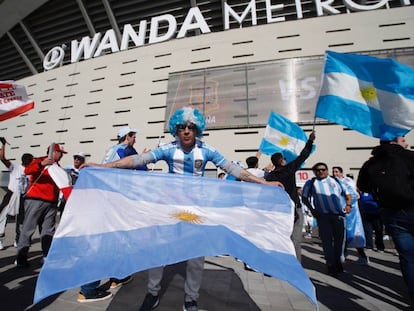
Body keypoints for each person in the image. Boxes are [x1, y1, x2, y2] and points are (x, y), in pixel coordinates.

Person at [82, 107, 283, 311]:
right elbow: (137, 160)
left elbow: (234, 169)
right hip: (168, 209)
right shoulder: (169, 149)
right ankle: (152, 294)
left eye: (191, 127)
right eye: (181, 127)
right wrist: (102, 166)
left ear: (197, 130)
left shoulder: (207, 150)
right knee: (157, 253)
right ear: (175, 130)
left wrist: (264, 184)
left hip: (195, 212)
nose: (186, 131)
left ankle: (191, 299)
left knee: (195, 259)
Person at [357, 136, 414, 304]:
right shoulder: (410, 157)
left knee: (408, 257)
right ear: (393, 141)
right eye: (403, 140)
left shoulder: (370, 163)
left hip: (391, 214)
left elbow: (364, 186)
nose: (407, 143)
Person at [265, 131, 315, 262]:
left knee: (280, 238)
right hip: (294, 208)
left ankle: (277, 262)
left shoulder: (269, 177)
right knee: (295, 239)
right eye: (284, 159)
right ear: (282, 161)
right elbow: (303, 156)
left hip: (278, 211)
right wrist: (310, 141)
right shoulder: (288, 169)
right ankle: (295, 265)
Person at [15, 144, 66, 267]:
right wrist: (41, 164)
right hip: (35, 200)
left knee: (48, 231)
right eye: (61, 153)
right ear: (54, 152)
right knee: (28, 229)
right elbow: (27, 170)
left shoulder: (57, 167)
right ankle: (21, 257)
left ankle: (46, 256)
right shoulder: (38, 161)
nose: (62, 155)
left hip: (51, 203)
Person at [302, 162, 352, 277]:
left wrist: (348, 205)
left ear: (327, 170)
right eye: (318, 170)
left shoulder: (336, 181)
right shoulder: (311, 183)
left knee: (340, 241)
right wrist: (312, 209)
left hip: (338, 215)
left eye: (323, 169)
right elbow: (304, 197)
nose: (321, 172)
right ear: (314, 172)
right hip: (323, 216)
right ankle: (331, 264)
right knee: (327, 241)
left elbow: (347, 194)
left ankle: (338, 261)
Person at [0, 137, 33, 250]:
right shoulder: (15, 168)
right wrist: (3, 145)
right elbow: (2, 158)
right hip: (11, 194)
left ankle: (18, 239)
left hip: (23, 197)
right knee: (3, 217)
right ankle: (0, 239)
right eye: (30, 161)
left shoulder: (31, 172)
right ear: (26, 160)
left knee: (21, 220)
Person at [332, 166, 369, 265]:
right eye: (333, 172)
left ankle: (362, 256)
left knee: (354, 234)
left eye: (336, 171)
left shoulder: (347, 182)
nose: (335, 173)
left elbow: (353, 195)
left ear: (341, 172)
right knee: (342, 235)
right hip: (341, 212)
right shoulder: (334, 182)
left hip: (351, 213)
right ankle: (343, 255)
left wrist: (347, 205)